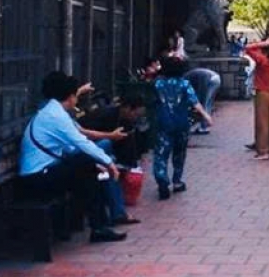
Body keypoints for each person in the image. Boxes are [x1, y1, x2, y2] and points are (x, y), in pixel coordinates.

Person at [19, 72, 126, 242]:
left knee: (88, 170)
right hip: (36, 178)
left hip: (41, 174)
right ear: (70, 97)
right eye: (76, 95)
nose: (77, 100)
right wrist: (108, 163)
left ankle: (97, 226)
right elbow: (81, 142)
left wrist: (96, 165)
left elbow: (70, 147)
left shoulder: (52, 112)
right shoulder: (56, 116)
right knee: (86, 163)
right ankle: (98, 226)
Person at [79, 94, 147, 226]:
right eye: (135, 114)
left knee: (108, 171)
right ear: (127, 108)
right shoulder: (104, 115)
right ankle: (117, 213)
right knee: (107, 154)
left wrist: (129, 167)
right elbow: (83, 136)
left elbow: (128, 147)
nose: (135, 117)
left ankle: (117, 212)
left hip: (101, 155)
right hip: (86, 150)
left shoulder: (126, 121)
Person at [152, 56, 214, 200]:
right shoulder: (184, 84)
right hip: (181, 123)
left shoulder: (158, 84)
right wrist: (206, 116)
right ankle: (177, 181)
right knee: (179, 153)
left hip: (163, 122)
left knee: (161, 154)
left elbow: (151, 100)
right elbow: (195, 102)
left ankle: (162, 180)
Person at [184, 67, 221, 134]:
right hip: (216, 78)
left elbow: (191, 93)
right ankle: (204, 125)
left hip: (208, 79)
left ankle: (204, 127)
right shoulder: (189, 76)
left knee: (204, 103)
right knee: (208, 103)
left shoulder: (185, 79)